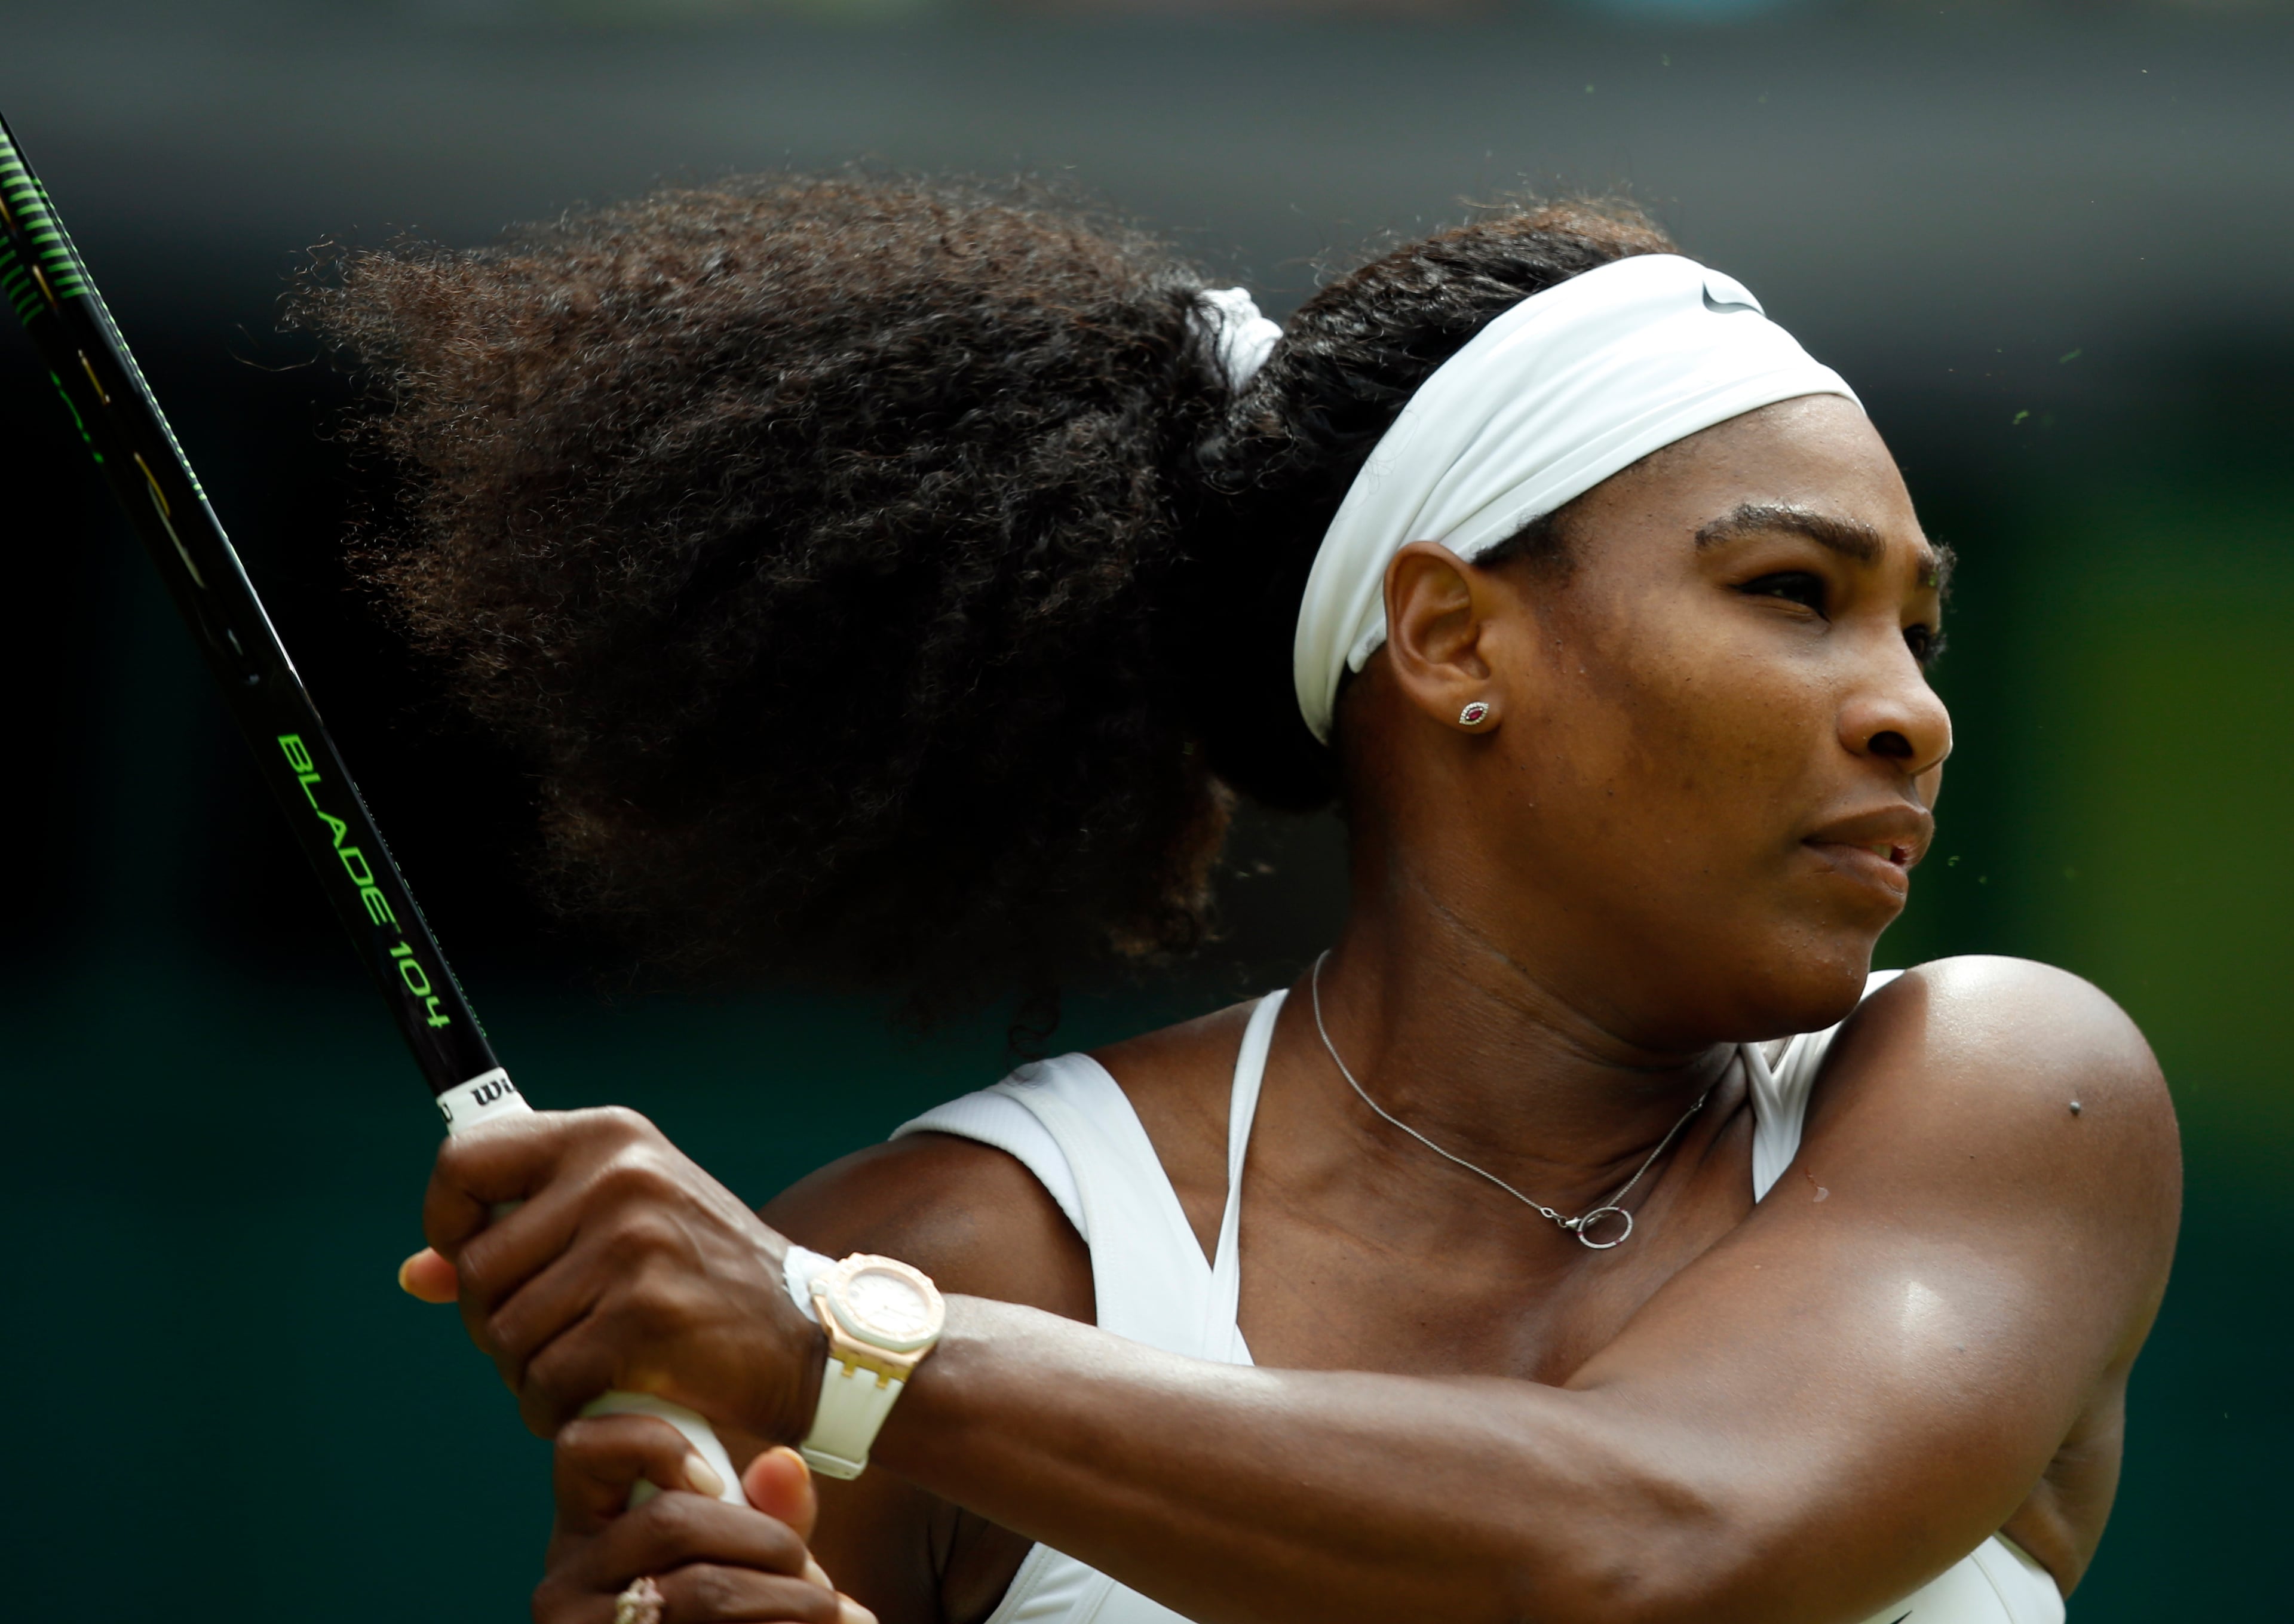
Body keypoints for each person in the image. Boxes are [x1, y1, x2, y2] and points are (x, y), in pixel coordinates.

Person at [321, 177, 2180, 1624]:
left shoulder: (2018, 1093)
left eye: (1918, 629)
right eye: (1793, 594)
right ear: (1451, 636)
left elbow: (1670, 1544)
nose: (1913, 711)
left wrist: (846, 1352)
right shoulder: (971, 1249)